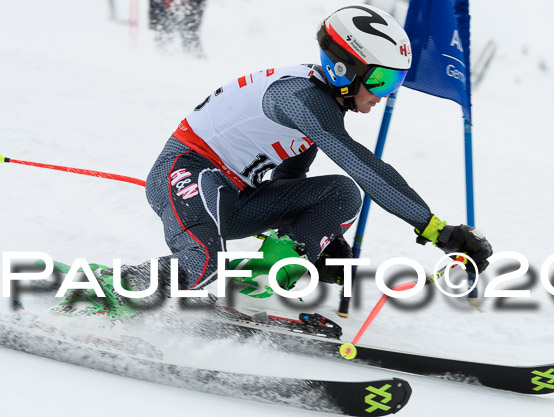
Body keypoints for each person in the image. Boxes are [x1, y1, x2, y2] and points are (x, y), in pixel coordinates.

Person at [80, 5, 492, 316]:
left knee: (341, 194)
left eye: (395, 82)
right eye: (381, 80)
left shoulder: (323, 104)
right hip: (186, 174)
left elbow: (293, 176)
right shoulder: (300, 97)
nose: (383, 94)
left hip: (235, 197)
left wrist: (323, 241)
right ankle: (106, 293)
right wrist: (436, 229)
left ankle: (257, 276)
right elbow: (364, 166)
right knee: (203, 262)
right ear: (345, 69)